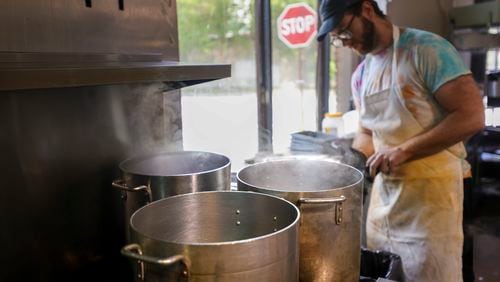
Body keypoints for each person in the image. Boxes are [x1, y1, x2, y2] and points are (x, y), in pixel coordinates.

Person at [317, 0, 485, 281]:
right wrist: (355, 160)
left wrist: (403, 151)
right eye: (337, 39)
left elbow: (471, 116)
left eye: (345, 31)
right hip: (385, 207)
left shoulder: (427, 50)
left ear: (367, 11)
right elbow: (368, 132)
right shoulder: (361, 76)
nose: (345, 43)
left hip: (431, 207)